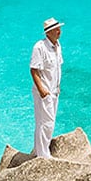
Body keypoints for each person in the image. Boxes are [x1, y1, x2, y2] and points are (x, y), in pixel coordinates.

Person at [29, 17, 63, 158]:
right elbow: (34, 70)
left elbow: (57, 68)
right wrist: (42, 90)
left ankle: (39, 151)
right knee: (45, 123)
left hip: (54, 91)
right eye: (56, 29)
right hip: (45, 91)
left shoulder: (57, 46)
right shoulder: (39, 47)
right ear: (48, 32)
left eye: (59, 28)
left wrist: (57, 86)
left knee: (48, 122)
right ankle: (43, 155)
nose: (59, 31)